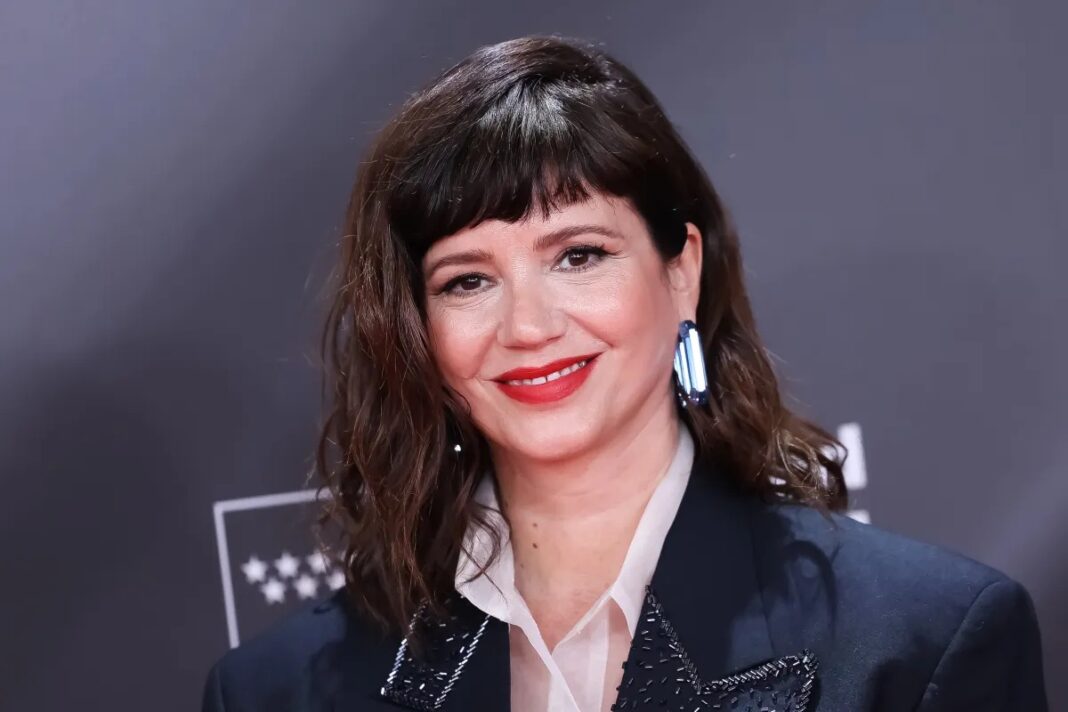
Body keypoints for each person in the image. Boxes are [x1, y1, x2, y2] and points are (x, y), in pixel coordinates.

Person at [200, 35, 1047, 711]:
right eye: (467, 280)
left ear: (682, 271)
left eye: (578, 255)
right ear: (417, 328)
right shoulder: (278, 691)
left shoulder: (921, 642)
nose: (528, 327)